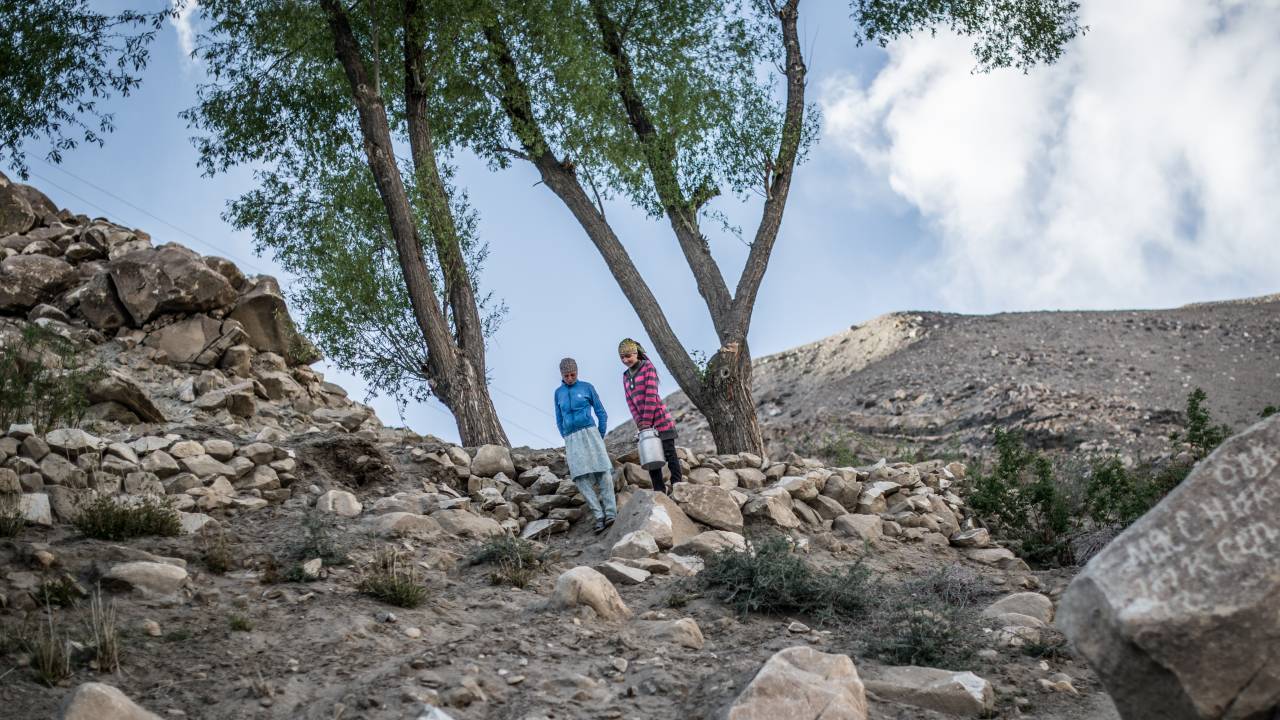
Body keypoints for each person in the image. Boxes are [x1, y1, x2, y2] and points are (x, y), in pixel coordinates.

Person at [554, 357, 615, 533]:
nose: (570, 378)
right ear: (561, 375)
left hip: (590, 432)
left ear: (577, 372)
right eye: (566, 375)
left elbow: (601, 412)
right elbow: (559, 417)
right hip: (571, 437)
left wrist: (600, 433)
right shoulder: (558, 393)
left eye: (573, 374)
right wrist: (564, 435)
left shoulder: (587, 387)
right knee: (579, 477)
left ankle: (611, 513)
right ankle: (599, 516)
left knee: (603, 471)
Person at [618, 338, 682, 494]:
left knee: (669, 453)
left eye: (628, 356)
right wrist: (640, 422)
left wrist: (646, 420)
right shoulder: (625, 376)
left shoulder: (648, 367)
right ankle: (659, 490)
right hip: (644, 426)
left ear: (636, 353)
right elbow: (630, 401)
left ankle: (678, 484)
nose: (626, 360)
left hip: (660, 420)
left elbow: (651, 395)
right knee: (651, 458)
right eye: (622, 357)